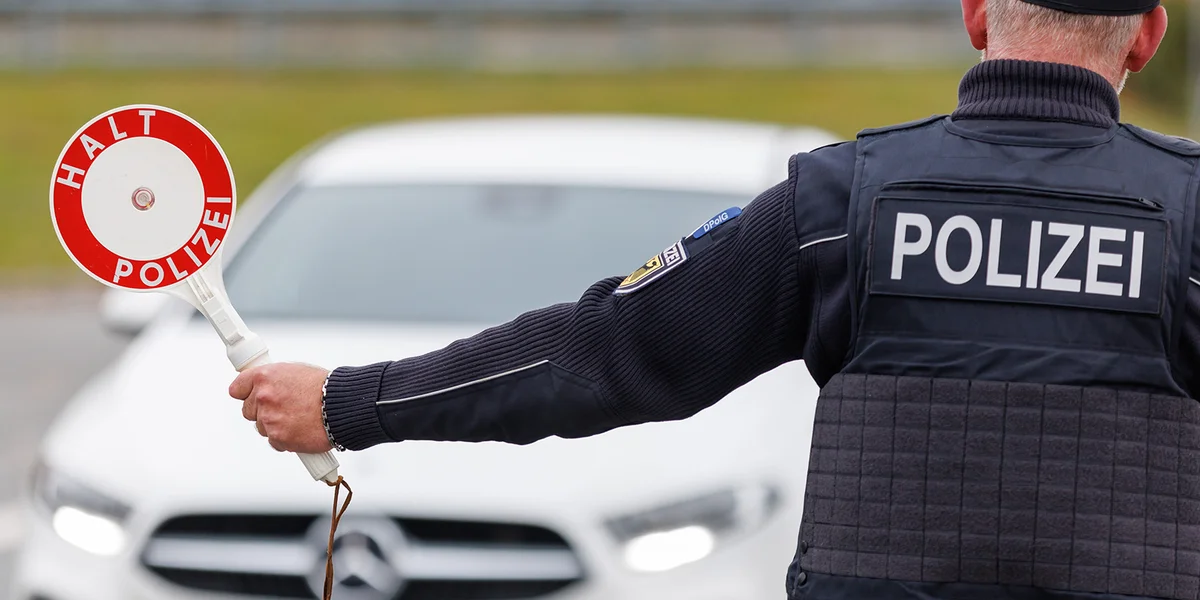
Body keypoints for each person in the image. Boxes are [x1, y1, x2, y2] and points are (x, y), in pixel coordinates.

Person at [228, 1, 1200, 598]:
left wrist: (353, 402)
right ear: (1148, 37)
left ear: (977, 13)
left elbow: (601, 356)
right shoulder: (1190, 216)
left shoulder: (840, 201)